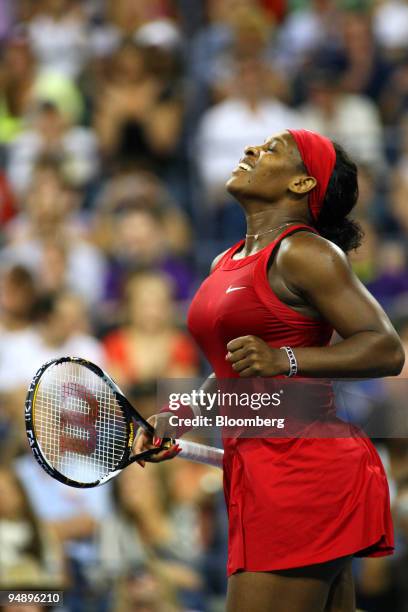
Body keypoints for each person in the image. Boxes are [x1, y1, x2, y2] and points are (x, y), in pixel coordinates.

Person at [135, 128, 405, 611]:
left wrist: (286, 359)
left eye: (272, 149)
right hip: (258, 472)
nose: (251, 150)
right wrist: (180, 413)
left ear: (301, 185)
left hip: (303, 472)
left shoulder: (306, 252)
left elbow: (386, 348)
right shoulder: (225, 260)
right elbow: (235, 371)